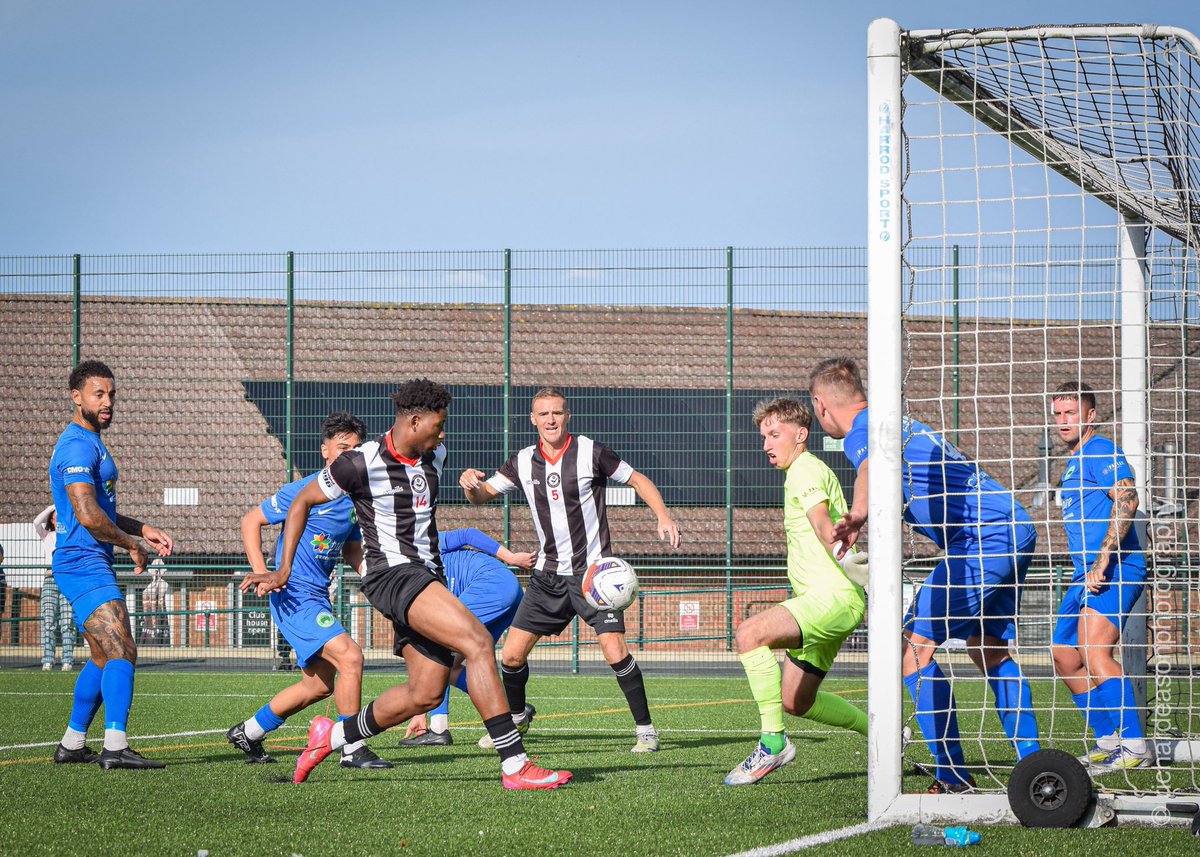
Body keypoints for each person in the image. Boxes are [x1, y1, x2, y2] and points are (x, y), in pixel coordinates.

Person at [242, 379, 571, 789]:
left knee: (426, 693)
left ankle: (335, 736)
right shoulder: (359, 462)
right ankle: (515, 765)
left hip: (427, 576)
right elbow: (302, 502)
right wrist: (282, 569)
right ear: (415, 420)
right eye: (439, 423)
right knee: (478, 643)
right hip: (393, 576)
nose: (443, 432)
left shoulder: (437, 455)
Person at [809, 357, 1040, 792]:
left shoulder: (865, 431)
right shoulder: (901, 423)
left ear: (822, 405)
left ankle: (953, 776)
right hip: (1013, 524)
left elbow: (869, 468)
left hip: (983, 540)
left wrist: (858, 512)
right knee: (987, 649)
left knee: (911, 651)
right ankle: (1036, 763)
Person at [460, 386, 681, 753]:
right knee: (512, 656)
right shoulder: (522, 460)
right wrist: (470, 485)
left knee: (614, 651)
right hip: (547, 576)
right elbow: (483, 495)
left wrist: (663, 516)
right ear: (533, 419)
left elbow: (638, 479)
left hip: (593, 576)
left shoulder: (591, 453)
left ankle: (646, 730)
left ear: (568, 417)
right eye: (543, 413)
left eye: (557, 413)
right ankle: (516, 717)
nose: (551, 419)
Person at [228, 411, 390, 770]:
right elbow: (250, 521)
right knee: (350, 657)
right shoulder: (304, 491)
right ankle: (352, 746)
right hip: (293, 594)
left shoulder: (353, 500)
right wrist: (264, 573)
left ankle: (249, 732)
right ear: (325, 451)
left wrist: (375, 576)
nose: (349, 454)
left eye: (355, 449)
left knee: (318, 686)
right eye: (342, 447)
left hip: (318, 594)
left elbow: (350, 547)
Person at [724, 397, 870, 786]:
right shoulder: (807, 470)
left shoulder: (804, 470)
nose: (767, 444)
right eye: (763, 436)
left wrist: (843, 553)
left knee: (749, 634)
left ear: (801, 434)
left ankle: (773, 743)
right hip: (830, 600)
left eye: (775, 434)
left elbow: (823, 523)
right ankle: (883, 733)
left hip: (831, 599)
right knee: (796, 701)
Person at [49, 360, 174, 769]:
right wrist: (131, 545)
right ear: (77, 397)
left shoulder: (92, 443)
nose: (107, 402)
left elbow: (100, 509)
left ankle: (72, 744)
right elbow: (86, 514)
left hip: (89, 560)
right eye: (98, 394)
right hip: (82, 564)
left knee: (103, 657)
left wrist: (142, 527)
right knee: (123, 649)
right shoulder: (76, 446)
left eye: (111, 394)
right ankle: (116, 748)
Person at [1049, 381, 1149, 771]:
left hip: (1116, 568)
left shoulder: (1101, 450)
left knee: (1093, 652)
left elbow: (1128, 498)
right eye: (1057, 413)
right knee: (1064, 656)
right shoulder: (1074, 461)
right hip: (1083, 574)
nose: (1062, 420)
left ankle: (1135, 747)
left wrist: (1104, 558)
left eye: (1070, 412)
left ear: (1090, 415)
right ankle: (1109, 741)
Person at [399, 527, 532, 746]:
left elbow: (467, 534)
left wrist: (511, 557)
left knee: (438, 652)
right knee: (453, 666)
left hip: (491, 584)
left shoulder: (418, 543)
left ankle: (438, 729)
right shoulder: (407, 567)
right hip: (508, 589)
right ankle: (508, 709)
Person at [34, 505, 76, 670]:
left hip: (67, 580)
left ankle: (67, 660)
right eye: (55, 515)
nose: (58, 517)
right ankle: (48, 660)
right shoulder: (47, 536)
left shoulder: (69, 535)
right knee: (49, 621)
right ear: (51, 519)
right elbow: (36, 522)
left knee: (67, 622)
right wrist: (55, 505)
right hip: (50, 580)